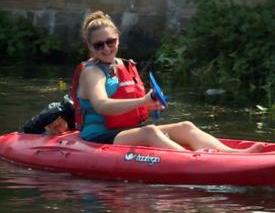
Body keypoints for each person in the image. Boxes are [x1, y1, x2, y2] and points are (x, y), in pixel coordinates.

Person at [75, 10, 263, 153]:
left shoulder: (122, 64)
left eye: (111, 41)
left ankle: (233, 154)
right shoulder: (92, 72)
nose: (107, 48)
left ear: (118, 39)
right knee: (150, 131)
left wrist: (149, 106)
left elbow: (124, 106)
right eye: (99, 45)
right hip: (99, 136)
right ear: (90, 46)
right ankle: (194, 163)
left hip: (126, 130)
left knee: (186, 126)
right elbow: (102, 106)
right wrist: (142, 101)